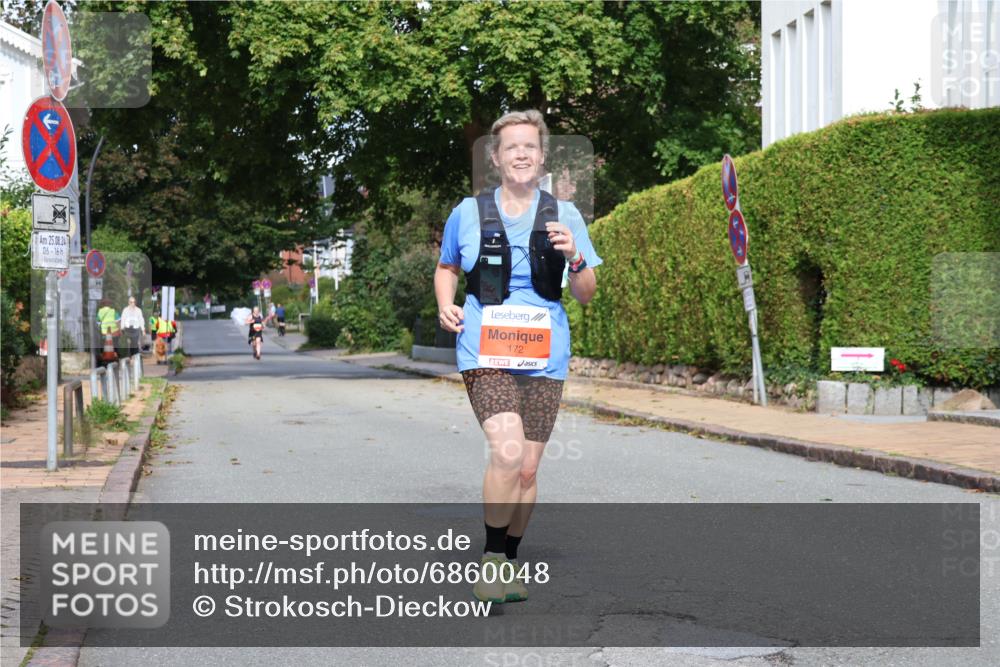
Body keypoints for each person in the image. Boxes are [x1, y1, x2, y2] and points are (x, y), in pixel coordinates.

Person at [434, 110, 601, 604]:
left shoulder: (565, 215)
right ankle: (491, 560)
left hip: (545, 355)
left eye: (530, 146)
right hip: (485, 349)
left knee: (527, 470)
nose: (521, 154)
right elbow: (447, 267)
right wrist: (445, 303)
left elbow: (587, 293)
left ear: (542, 156)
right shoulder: (468, 212)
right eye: (512, 147)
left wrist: (574, 256)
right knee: (506, 452)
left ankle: (508, 560)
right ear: (496, 157)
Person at [96, 299, 121, 363]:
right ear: (110, 304)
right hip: (114, 332)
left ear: (103, 305)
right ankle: (116, 355)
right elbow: (118, 322)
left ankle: (103, 356)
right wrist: (120, 330)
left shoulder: (99, 312)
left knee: (103, 345)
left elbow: (98, 323)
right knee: (115, 344)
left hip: (104, 332)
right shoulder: (113, 311)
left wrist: (101, 329)